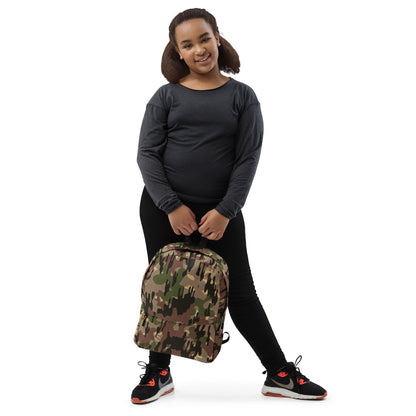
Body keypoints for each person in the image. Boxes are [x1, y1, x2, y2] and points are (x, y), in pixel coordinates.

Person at [131, 7, 327, 404]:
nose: (199, 49)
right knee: (165, 287)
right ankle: (158, 372)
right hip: (162, 209)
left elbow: (247, 159)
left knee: (240, 293)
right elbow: (146, 155)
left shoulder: (242, 96)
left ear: (217, 38)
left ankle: (279, 373)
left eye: (204, 39)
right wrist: (171, 206)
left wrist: (225, 211)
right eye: (188, 44)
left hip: (222, 212)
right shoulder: (165, 97)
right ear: (178, 52)